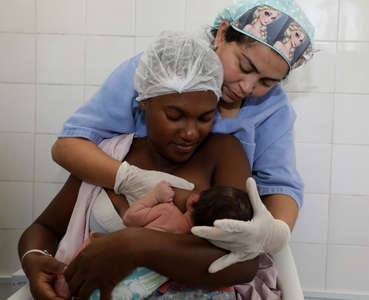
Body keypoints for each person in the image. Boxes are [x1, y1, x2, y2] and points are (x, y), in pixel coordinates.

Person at [48, 0, 314, 295]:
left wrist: (272, 231)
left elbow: (280, 184)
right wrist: (127, 178)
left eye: (267, 81)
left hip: (206, 251)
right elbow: (70, 145)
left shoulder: (265, 114)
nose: (248, 88)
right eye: (244, 66)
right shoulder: (162, 69)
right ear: (222, 33)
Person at [19, 31, 269, 300]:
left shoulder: (223, 152)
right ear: (144, 104)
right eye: (174, 116)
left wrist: (133, 245)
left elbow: (243, 261)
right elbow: (44, 228)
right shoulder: (110, 155)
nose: (190, 133)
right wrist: (34, 261)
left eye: (205, 118)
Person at [54, 182, 253, 299]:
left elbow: (130, 218)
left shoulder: (167, 211)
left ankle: (64, 282)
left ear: (193, 201)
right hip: (145, 282)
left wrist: (154, 196)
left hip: (120, 264)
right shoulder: (200, 243)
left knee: (94, 242)